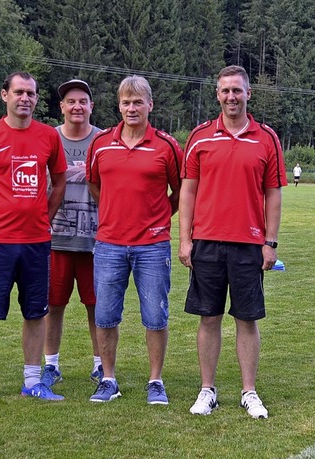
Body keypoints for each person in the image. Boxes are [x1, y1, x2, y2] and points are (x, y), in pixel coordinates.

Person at [178, 65, 287, 419]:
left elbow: (273, 193)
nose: (231, 96)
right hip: (207, 242)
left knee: (246, 319)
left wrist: (270, 242)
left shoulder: (266, 138)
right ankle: (207, 389)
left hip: (248, 244)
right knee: (208, 318)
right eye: (225, 91)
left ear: (248, 93)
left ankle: (249, 391)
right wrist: (184, 240)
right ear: (217, 94)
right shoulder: (200, 136)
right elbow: (188, 192)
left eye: (237, 90)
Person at [0, 71, 67, 407]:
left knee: (36, 313)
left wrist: (45, 218)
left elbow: (60, 181)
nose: (25, 98)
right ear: (5, 95)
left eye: (31, 94)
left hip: (36, 242)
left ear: (37, 99)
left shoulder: (49, 136)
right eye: (19, 92)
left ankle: (33, 381)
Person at [86, 75, 182, 404]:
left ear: (150, 105)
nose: (131, 108)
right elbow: (94, 185)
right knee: (105, 315)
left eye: (138, 102)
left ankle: (155, 380)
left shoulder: (167, 146)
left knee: (155, 317)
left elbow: (181, 192)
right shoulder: (101, 144)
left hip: (153, 247)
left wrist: (157, 220)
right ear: (119, 105)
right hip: (109, 244)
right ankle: (108, 378)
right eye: (126, 102)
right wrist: (116, 212)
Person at [40, 80, 103, 389]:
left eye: (83, 101)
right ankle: (51, 365)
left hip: (96, 239)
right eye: (70, 101)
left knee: (97, 305)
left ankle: (100, 363)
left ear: (91, 106)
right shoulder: (47, 138)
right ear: (62, 107)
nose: (77, 106)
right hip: (55, 238)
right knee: (53, 305)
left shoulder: (104, 141)